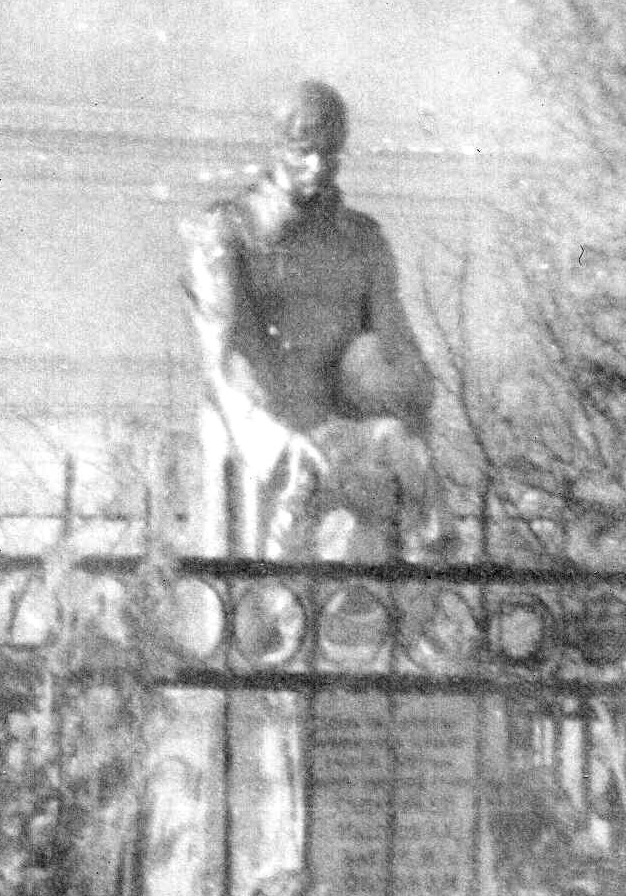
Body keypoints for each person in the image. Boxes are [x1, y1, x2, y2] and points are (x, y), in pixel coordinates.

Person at [182, 80, 439, 557]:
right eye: (303, 151)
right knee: (253, 590)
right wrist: (276, 445)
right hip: (258, 440)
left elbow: (399, 352)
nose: (318, 167)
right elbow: (224, 361)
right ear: (277, 147)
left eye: (330, 152)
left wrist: (404, 400)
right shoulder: (228, 231)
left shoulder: (364, 242)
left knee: (366, 576)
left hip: (340, 438)